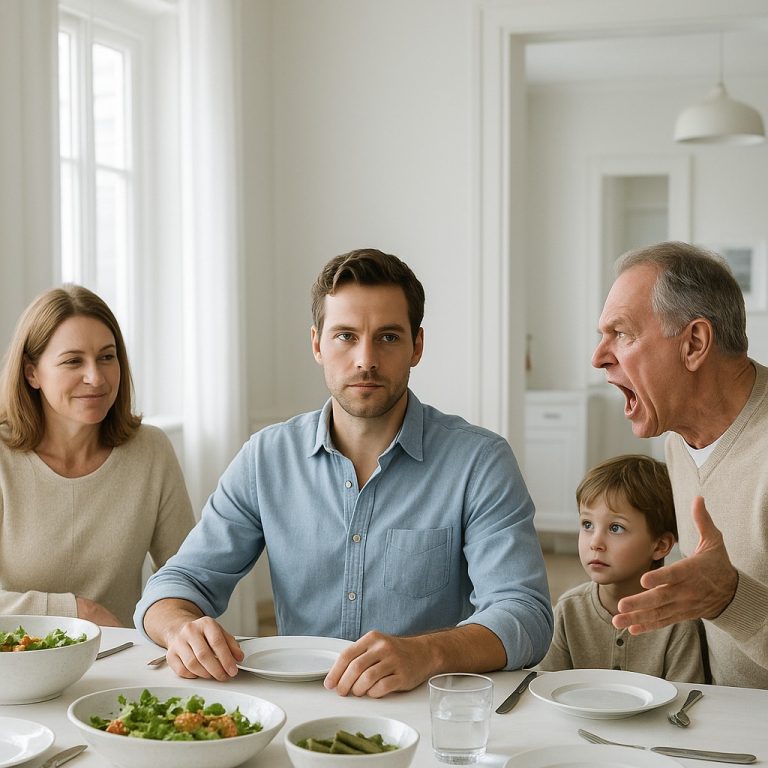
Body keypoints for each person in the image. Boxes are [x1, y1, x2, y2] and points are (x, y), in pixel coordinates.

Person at [135, 248, 553, 698]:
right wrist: (180, 628)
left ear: (417, 345)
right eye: (345, 336)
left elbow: (524, 612)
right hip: (299, 711)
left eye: (388, 337)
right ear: (317, 343)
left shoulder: (479, 462)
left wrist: (426, 652)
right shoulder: (266, 458)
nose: (365, 359)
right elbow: (176, 585)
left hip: (424, 711)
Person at [592, 240, 768, 689]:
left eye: (623, 334)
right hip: (714, 713)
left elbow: (722, 595)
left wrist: (730, 596)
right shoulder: (677, 438)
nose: (599, 357)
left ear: (694, 343)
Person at [0, 285, 195, 627]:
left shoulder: (151, 450)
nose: (96, 377)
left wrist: (175, 627)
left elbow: (188, 573)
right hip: (18, 664)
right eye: (73, 361)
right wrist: (77, 611)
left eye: (107, 356)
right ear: (32, 373)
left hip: (125, 663)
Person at [538, 454, 705, 682]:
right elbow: (547, 689)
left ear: (660, 545)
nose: (595, 542)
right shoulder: (568, 611)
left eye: (616, 528)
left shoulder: (679, 622)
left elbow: (685, 707)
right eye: (587, 524)